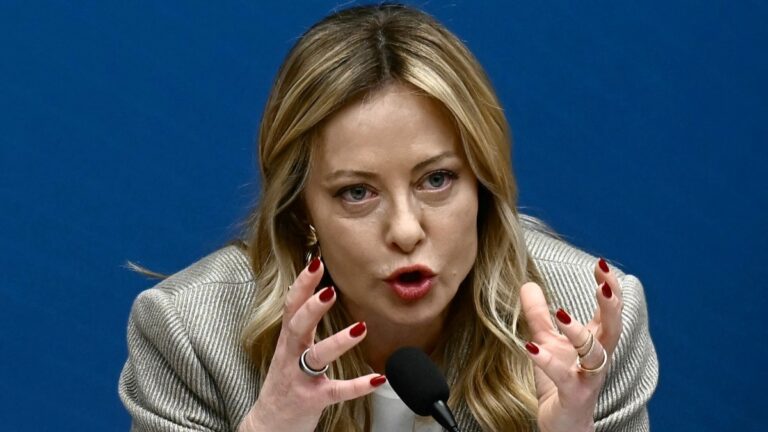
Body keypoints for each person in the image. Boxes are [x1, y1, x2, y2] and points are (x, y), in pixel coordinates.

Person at [118, 3, 658, 431]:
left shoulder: (588, 332)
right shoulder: (192, 336)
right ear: (302, 208)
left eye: (437, 180)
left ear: (483, 187)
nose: (405, 230)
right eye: (357, 192)